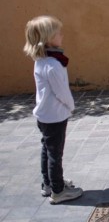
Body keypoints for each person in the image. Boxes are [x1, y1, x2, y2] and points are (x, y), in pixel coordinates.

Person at [23, 16, 83, 204]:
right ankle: (58, 191)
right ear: (48, 39)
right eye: (58, 33)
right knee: (55, 153)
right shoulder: (53, 65)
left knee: (47, 150)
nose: (62, 35)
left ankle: (48, 183)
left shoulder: (42, 60)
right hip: (55, 115)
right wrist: (71, 106)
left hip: (44, 115)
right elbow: (62, 92)